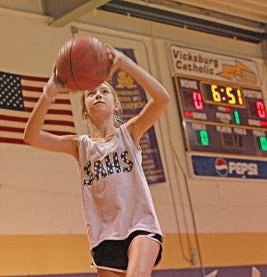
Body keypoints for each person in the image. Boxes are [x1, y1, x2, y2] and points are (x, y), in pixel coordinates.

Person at [24, 45, 170, 277]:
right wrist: (49, 92)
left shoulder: (129, 134)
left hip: (139, 227)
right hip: (104, 236)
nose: (98, 95)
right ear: (84, 110)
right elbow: (31, 137)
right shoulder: (80, 146)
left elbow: (162, 99)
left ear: (116, 104)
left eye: (104, 92)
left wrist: (123, 62)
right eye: (91, 93)